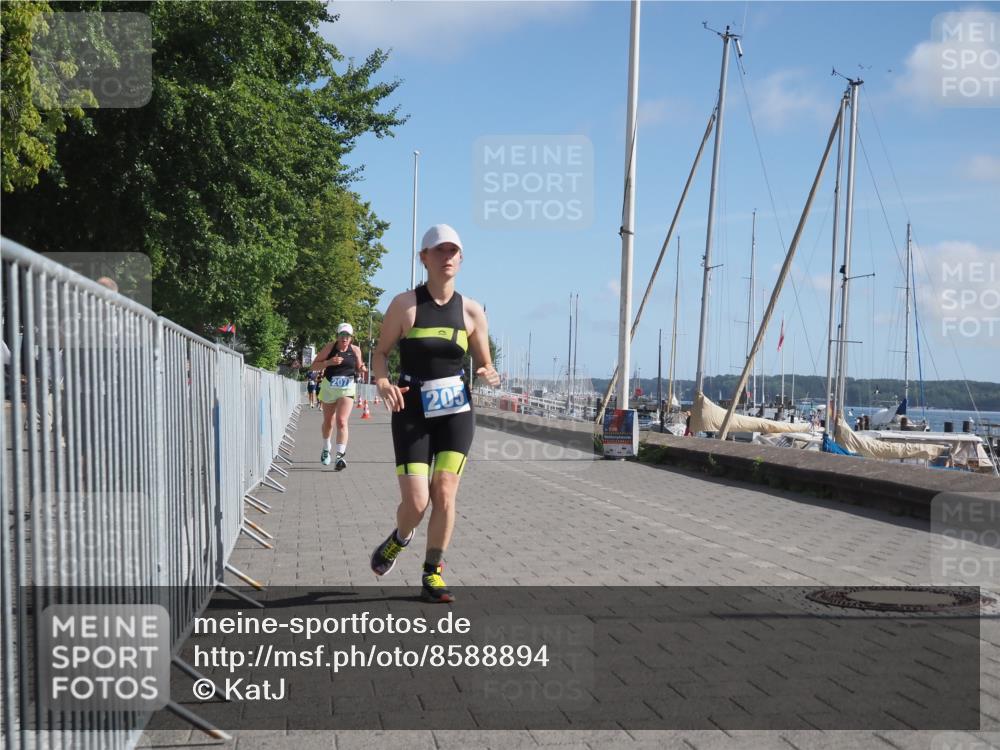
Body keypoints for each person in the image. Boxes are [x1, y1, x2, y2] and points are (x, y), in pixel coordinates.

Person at [368, 224, 499, 603]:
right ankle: (399, 537)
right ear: (423, 258)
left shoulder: (472, 310)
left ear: (461, 258)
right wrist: (382, 382)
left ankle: (432, 572)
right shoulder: (405, 305)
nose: (447, 257)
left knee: (444, 491)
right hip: (411, 409)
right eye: (439, 250)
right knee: (416, 503)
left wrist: (487, 372)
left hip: (455, 409)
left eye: (453, 251)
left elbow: (484, 361)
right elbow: (380, 353)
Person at [311, 323, 367, 470]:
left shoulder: (356, 350)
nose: (344, 338)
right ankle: (326, 448)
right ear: (337, 336)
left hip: (347, 388)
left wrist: (362, 369)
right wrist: (329, 362)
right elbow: (313, 366)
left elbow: (359, 368)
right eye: (342, 335)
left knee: (341, 421)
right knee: (328, 421)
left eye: (347, 335)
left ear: (351, 338)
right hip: (329, 387)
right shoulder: (330, 347)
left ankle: (339, 457)